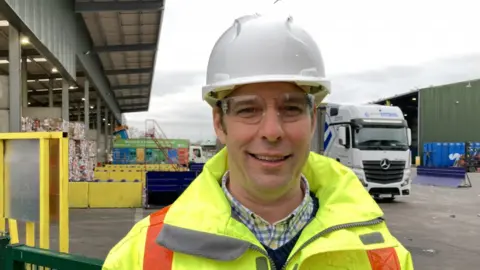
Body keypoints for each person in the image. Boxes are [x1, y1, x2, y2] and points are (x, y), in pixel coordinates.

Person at [102, 13, 414, 270]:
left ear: (312, 120)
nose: (272, 131)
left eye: (291, 108)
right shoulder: (142, 257)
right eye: (248, 109)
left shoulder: (383, 258)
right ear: (219, 123)